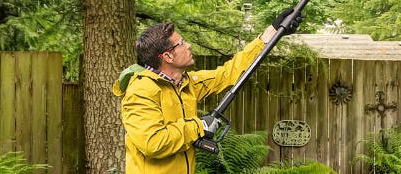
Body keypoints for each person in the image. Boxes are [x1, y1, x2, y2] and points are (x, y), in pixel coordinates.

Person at [113, 9, 299, 174]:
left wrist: (271, 33)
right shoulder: (141, 91)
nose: (188, 46)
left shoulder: (186, 84)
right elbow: (152, 143)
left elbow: (229, 73)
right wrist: (199, 126)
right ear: (167, 56)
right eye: (181, 44)